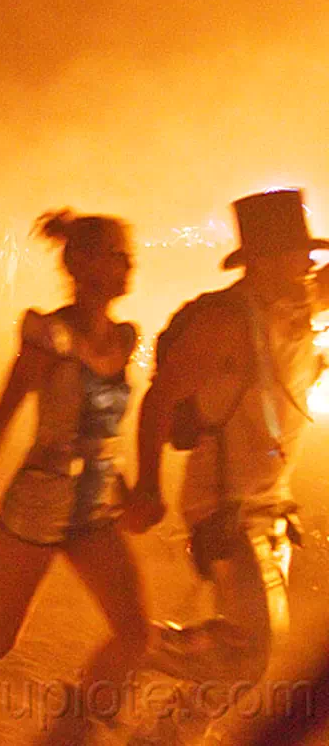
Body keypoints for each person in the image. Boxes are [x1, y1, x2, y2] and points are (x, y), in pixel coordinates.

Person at [0, 209, 148, 746]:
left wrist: (131, 489)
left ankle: (72, 730)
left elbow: (106, 431)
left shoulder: (125, 338)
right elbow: (6, 408)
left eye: (128, 253)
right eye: (116, 253)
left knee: (134, 632)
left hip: (94, 502)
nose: (129, 263)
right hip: (39, 497)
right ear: (83, 263)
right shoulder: (50, 333)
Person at [128, 188, 329, 740]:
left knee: (245, 656)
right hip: (224, 506)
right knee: (255, 649)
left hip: (272, 509)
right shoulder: (223, 322)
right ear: (264, 260)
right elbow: (160, 400)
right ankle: (137, 643)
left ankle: (164, 736)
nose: (310, 264)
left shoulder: (299, 305)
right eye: (298, 252)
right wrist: (148, 483)